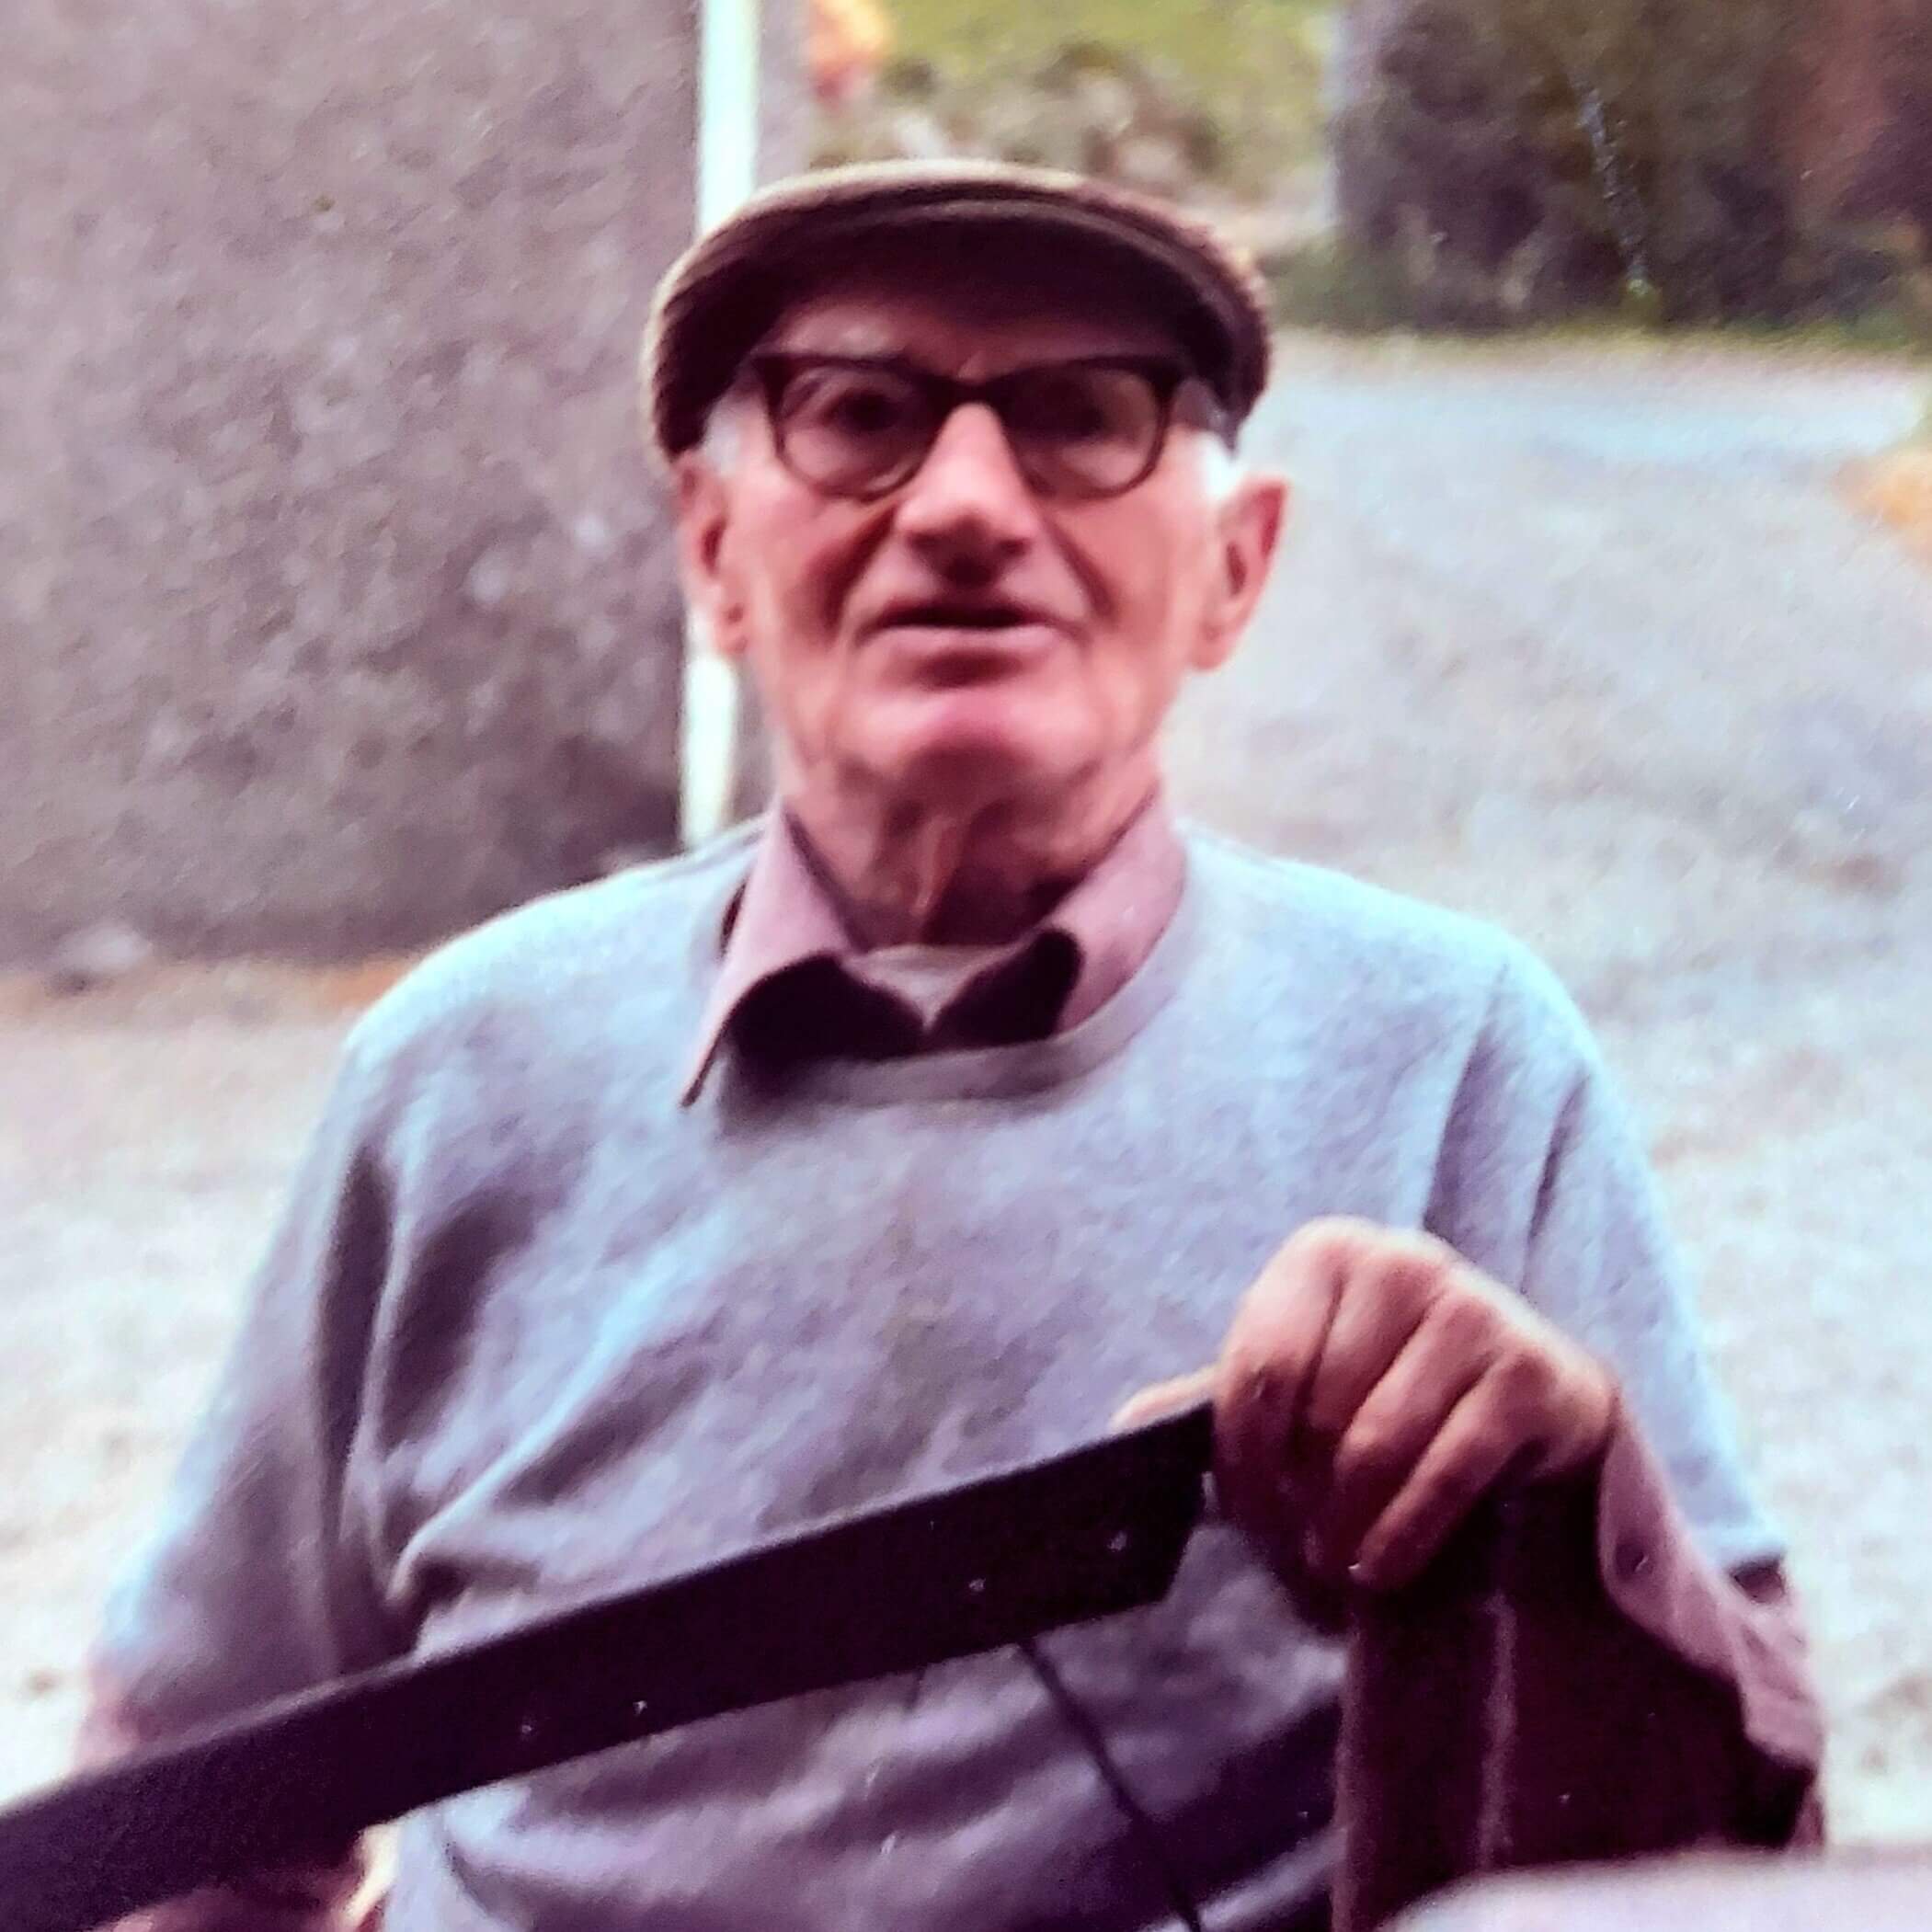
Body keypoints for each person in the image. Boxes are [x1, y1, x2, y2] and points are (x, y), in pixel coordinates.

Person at [82, 161, 1823, 1932]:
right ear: (710, 553)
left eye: (1082, 417)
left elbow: (1733, 1854)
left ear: (1236, 567)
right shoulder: (454, 1074)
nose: (971, 507)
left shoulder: (1453, 1057)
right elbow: (190, 1822)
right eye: (859, 415)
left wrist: (1566, 1502)